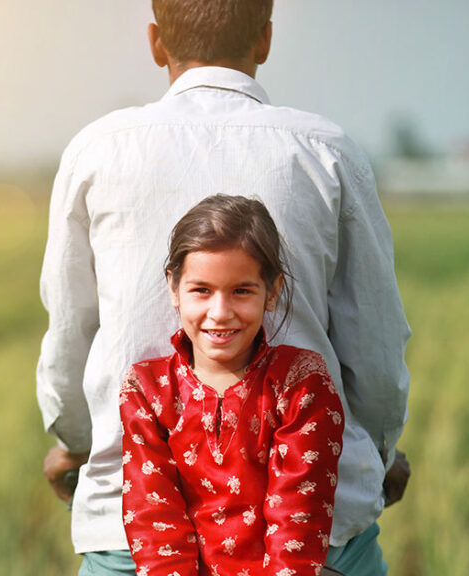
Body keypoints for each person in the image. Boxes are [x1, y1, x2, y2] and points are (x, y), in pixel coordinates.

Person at [36, 1, 412, 574]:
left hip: (137, 535)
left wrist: (77, 443)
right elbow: (376, 344)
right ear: (264, 40)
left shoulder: (97, 150)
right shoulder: (328, 151)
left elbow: (71, 330)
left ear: (156, 42)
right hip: (310, 531)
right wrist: (379, 452)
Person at [120, 195, 345, 576]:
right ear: (174, 288)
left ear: (272, 291)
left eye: (242, 290)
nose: (220, 312)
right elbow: (154, 518)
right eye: (201, 290)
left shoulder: (300, 382)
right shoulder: (148, 390)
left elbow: (297, 517)